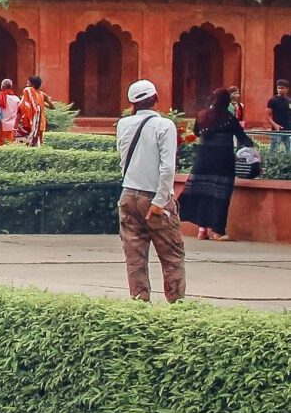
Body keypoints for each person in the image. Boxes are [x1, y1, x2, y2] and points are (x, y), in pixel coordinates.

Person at [117, 79, 183, 302]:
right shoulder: (165, 126)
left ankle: (139, 304)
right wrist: (160, 200)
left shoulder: (123, 124)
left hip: (128, 194)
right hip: (153, 196)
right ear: (156, 99)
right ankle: (176, 308)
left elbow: (122, 159)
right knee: (172, 256)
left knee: (135, 257)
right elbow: (167, 168)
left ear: (132, 103)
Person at [183, 89, 257, 240]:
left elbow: (197, 132)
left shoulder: (202, 115)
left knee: (202, 193)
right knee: (221, 196)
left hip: (203, 160)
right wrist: (253, 151)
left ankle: (202, 230)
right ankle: (218, 231)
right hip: (223, 161)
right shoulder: (229, 118)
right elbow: (242, 137)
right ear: (227, 101)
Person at [17, 74, 48, 146]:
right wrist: (42, 105)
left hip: (32, 121)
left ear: (32, 85)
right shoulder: (42, 94)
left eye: (28, 83)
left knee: (29, 141)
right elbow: (52, 107)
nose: (26, 84)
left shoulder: (28, 90)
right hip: (40, 121)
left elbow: (23, 107)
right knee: (39, 142)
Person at [267, 80, 291, 158]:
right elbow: (267, 116)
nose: (280, 90)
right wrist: (275, 125)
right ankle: (270, 167)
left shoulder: (289, 101)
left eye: (282, 88)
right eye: (278, 88)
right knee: (273, 151)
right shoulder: (273, 100)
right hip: (276, 131)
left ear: (287, 89)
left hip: (288, 130)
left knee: (289, 151)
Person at [0, 78, 20, 145]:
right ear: (11, 87)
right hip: (12, 126)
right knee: (10, 146)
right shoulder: (16, 99)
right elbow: (19, 113)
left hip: (0, 127)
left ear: (2, 87)